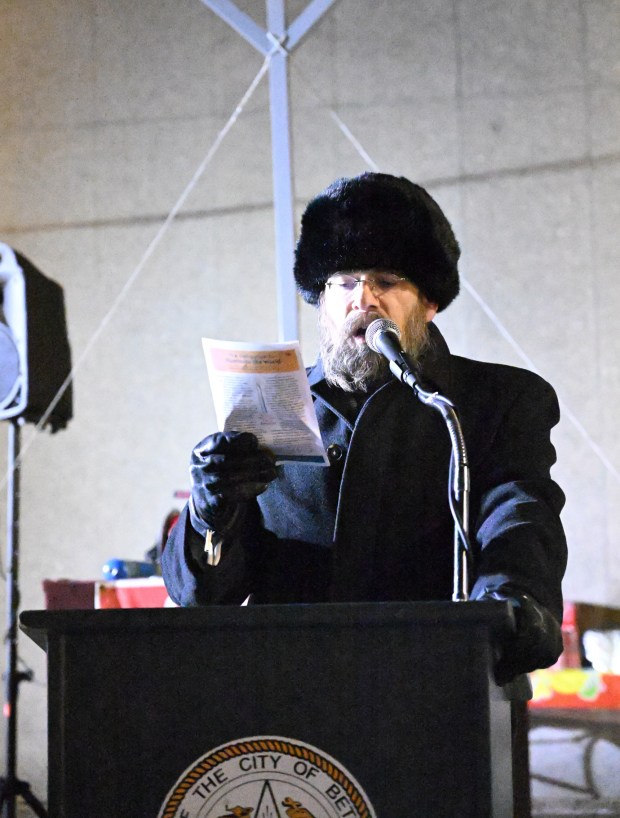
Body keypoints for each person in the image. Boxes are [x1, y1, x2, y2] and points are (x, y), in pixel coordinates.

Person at [162, 172, 567, 685]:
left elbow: (519, 517)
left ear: (429, 301)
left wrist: (512, 604)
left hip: (436, 684)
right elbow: (201, 595)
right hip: (288, 694)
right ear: (320, 299)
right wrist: (209, 512)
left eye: (388, 280)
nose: (364, 298)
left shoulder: (495, 401)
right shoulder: (268, 406)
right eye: (346, 281)